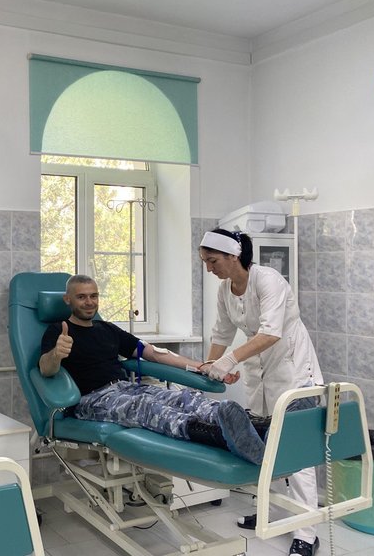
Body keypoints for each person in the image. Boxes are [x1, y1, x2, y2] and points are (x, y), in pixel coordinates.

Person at [39, 274, 270, 465]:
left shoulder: (107, 329)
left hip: (126, 388)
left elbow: (152, 353)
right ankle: (221, 437)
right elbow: (46, 369)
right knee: (147, 407)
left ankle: (258, 426)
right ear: (67, 299)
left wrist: (202, 367)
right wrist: (57, 354)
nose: (89, 302)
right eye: (81, 297)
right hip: (92, 399)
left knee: (183, 398)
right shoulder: (58, 331)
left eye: (93, 296)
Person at [200, 228, 323, 556]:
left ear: (233, 255)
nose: (209, 268)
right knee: (264, 445)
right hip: (260, 375)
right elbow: (222, 332)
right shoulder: (225, 290)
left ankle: (306, 533)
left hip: (293, 371)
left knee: (297, 452)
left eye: (213, 261)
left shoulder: (268, 280)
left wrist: (229, 360)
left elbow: (271, 333)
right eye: (205, 262)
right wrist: (209, 367)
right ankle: (272, 511)